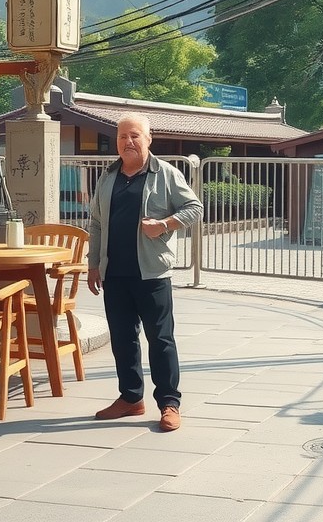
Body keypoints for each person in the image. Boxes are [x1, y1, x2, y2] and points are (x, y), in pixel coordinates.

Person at [87, 112, 202, 432]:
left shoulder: (165, 174)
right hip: (116, 273)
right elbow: (95, 223)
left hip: (152, 273)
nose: (128, 142)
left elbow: (194, 208)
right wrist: (93, 264)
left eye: (135, 135)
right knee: (123, 340)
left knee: (160, 339)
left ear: (149, 140)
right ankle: (130, 398)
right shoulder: (108, 177)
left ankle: (169, 403)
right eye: (123, 136)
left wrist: (165, 225)